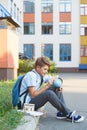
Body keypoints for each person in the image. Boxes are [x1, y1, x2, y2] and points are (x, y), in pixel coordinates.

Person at [20, 56, 84, 123]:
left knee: (55, 86)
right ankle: (68, 113)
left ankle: (61, 112)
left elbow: (55, 79)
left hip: (33, 101)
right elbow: (33, 94)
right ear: (38, 67)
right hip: (27, 105)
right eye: (45, 69)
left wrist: (59, 84)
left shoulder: (41, 75)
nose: (46, 72)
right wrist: (46, 86)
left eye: (47, 70)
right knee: (49, 93)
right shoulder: (31, 75)